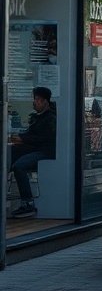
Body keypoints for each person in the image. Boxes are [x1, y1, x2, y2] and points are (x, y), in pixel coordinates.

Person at [9, 87, 57, 219]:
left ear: (45, 102)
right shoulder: (38, 117)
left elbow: (46, 139)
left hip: (44, 152)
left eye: (37, 100)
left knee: (19, 167)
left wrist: (23, 139)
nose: (34, 102)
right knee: (7, 156)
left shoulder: (51, 118)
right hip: (33, 149)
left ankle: (28, 203)